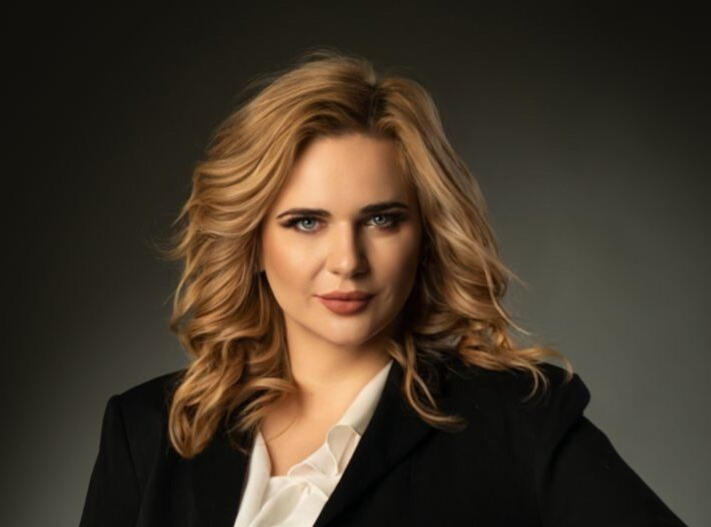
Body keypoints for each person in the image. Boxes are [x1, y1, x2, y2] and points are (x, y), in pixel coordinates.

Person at [79, 49, 687, 527]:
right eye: (306, 222)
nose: (348, 261)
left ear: (425, 235)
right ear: (253, 241)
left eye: (381, 220)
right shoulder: (149, 430)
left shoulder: (517, 420)